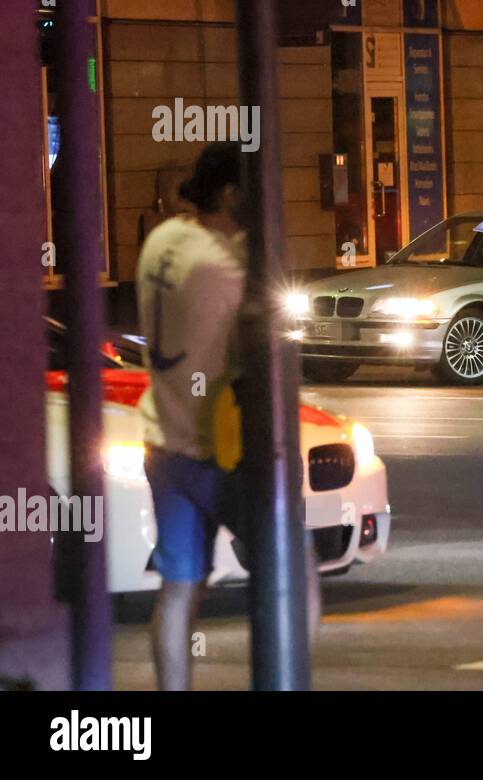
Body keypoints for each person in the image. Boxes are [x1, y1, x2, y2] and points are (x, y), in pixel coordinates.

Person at [137, 141, 318, 689]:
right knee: (296, 573)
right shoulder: (232, 269)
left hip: (161, 438)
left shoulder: (163, 240)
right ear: (231, 193)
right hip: (220, 453)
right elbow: (265, 358)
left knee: (179, 588)